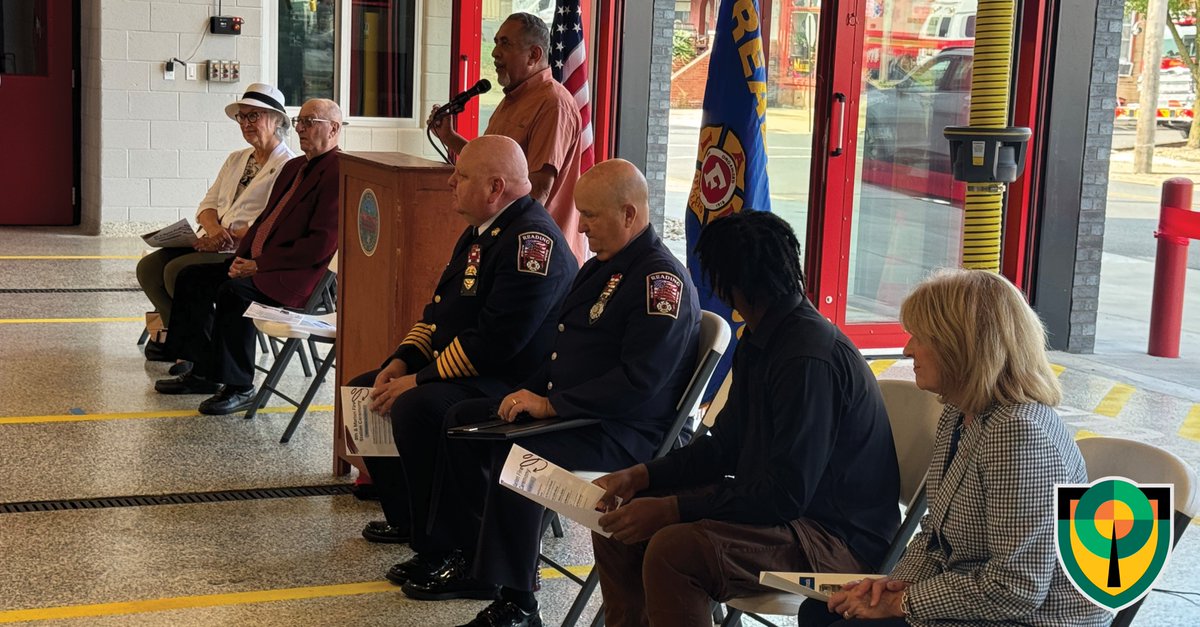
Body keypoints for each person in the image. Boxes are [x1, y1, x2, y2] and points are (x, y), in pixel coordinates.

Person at [397, 159, 701, 627]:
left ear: (628, 214)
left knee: (518, 456)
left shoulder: (661, 282)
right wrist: (527, 392)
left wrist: (551, 405)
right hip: (578, 415)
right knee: (461, 421)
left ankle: (519, 603)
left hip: (623, 431)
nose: (582, 226)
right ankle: (471, 559)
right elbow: (561, 352)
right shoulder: (604, 266)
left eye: (593, 216)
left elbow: (639, 383)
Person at [591, 211, 901, 627]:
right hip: (788, 515)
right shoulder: (763, 336)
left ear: (729, 284)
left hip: (836, 539)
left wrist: (673, 508)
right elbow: (725, 446)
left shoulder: (808, 356)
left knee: (674, 551)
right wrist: (643, 477)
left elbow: (784, 494)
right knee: (619, 521)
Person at [810, 269, 1111, 627]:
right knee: (820, 611)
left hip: (1026, 618)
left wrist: (902, 603)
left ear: (960, 346)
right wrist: (889, 588)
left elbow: (1016, 589)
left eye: (920, 337)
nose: (907, 349)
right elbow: (936, 536)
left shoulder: (1020, 434)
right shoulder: (959, 411)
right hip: (980, 597)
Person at [350, 135, 578, 553]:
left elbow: (497, 343)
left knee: (416, 407)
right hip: (475, 368)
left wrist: (419, 380)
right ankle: (408, 519)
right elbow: (438, 311)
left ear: (495, 188)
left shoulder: (532, 243)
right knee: (369, 386)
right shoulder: (483, 231)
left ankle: (444, 543)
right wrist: (402, 361)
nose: (451, 180)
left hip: (511, 381)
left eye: (462, 174)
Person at [153, 98, 343, 415]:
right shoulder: (296, 167)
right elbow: (264, 221)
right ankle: (202, 371)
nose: (301, 129)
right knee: (193, 278)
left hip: (296, 274)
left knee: (233, 293)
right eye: (300, 122)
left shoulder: (338, 171)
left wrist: (259, 264)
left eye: (310, 122)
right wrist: (242, 259)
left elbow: (319, 246)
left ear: (334, 128)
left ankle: (240, 385)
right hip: (263, 263)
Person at [138, 83, 296, 365]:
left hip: (241, 249)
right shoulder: (237, 158)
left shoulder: (288, 166)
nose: (246, 124)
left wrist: (227, 237)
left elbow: (271, 221)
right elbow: (207, 205)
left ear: (277, 121)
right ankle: (187, 340)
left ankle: (198, 354)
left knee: (177, 271)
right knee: (149, 268)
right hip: (215, 239)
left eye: (254, 116)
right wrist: (213, 231)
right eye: (242, 117)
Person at [428, 12, 587, 264]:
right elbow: (490, 168)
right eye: (495, 42)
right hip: (501, 241)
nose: (494, 53)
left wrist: (495, 234)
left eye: (505, 43)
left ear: (534, 55)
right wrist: (449, 137)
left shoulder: (553, 104)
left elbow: (538, 189)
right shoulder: (512, 99)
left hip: (535, 252)